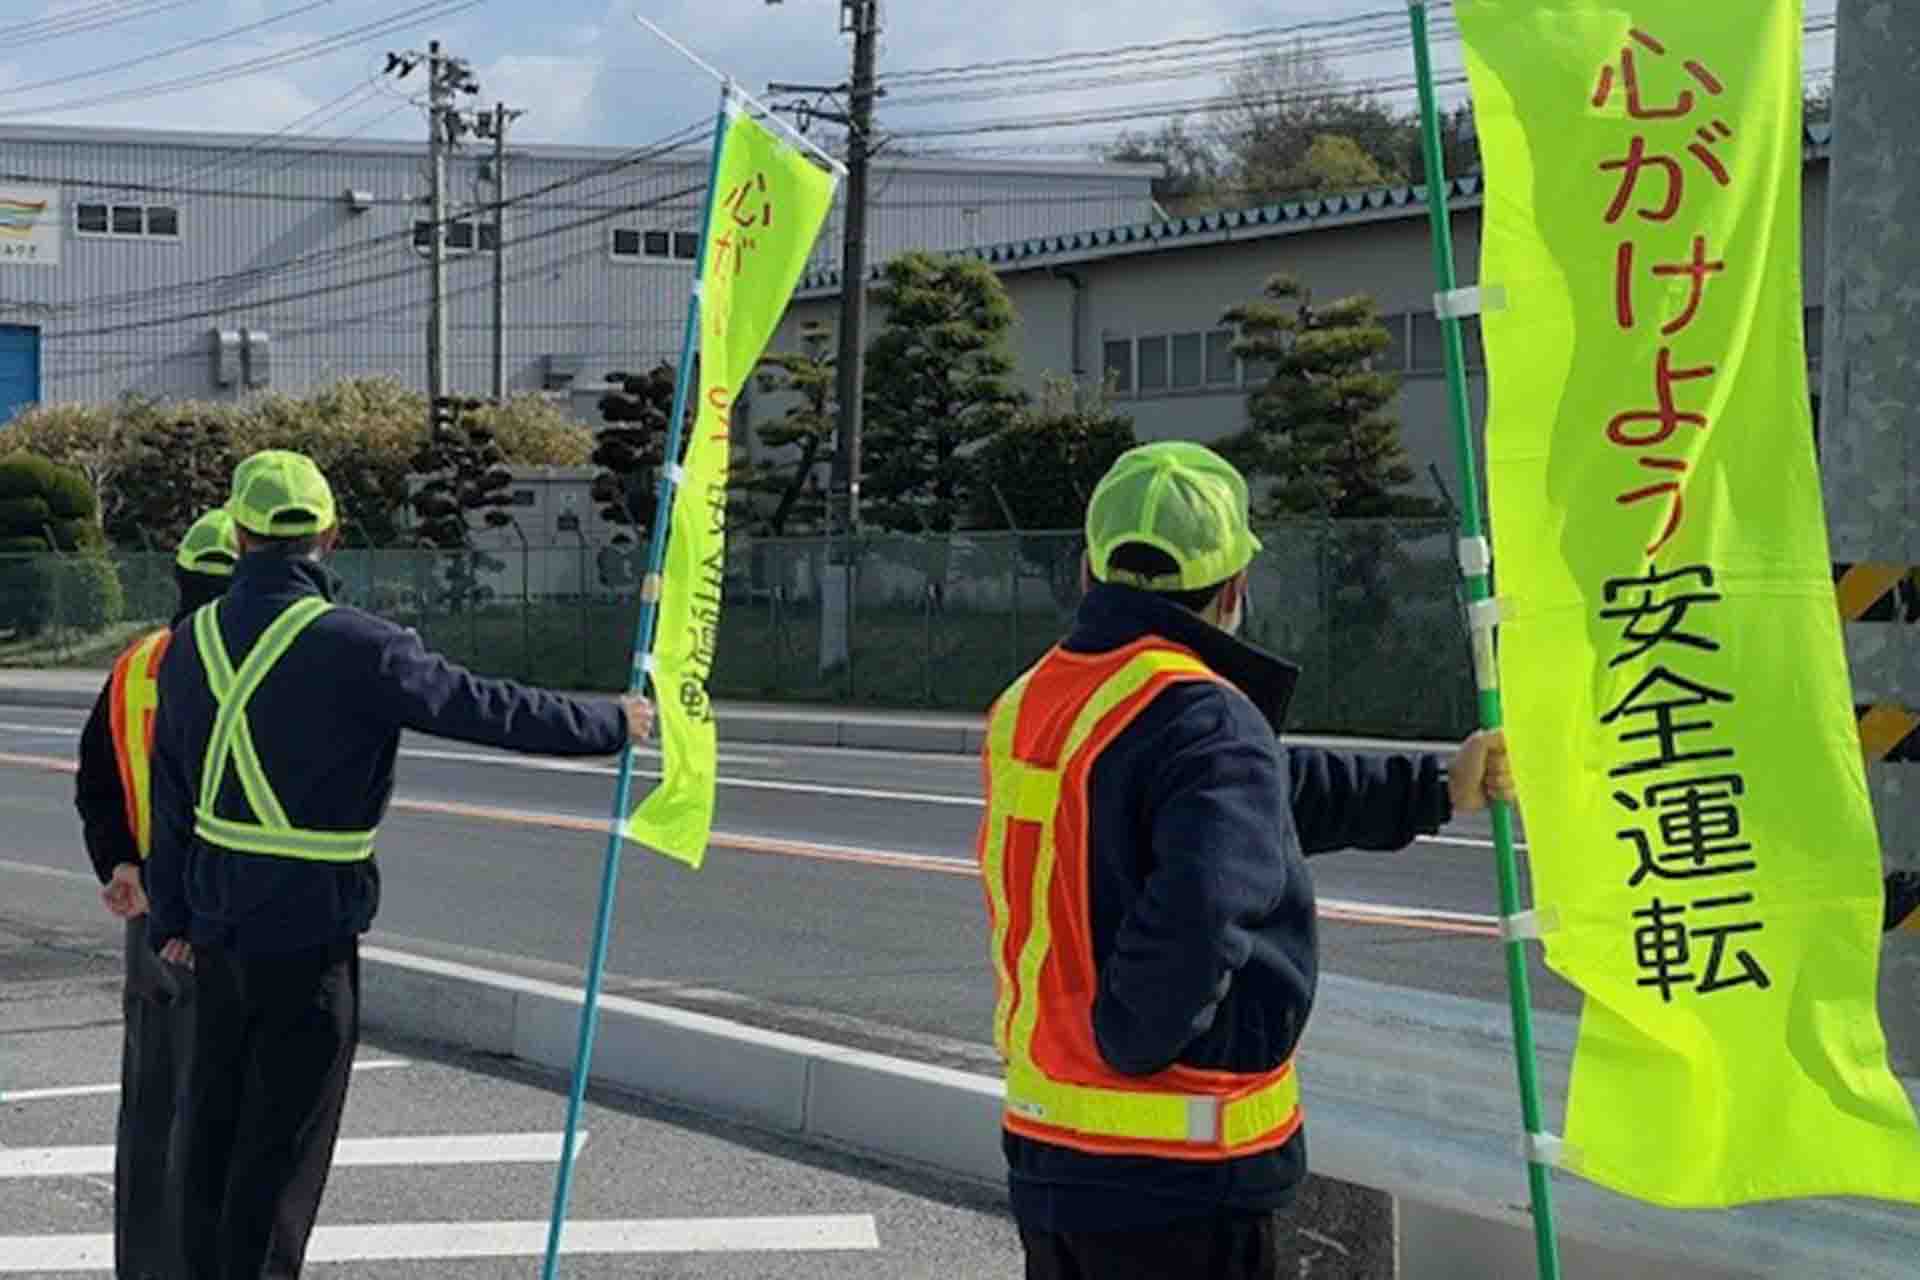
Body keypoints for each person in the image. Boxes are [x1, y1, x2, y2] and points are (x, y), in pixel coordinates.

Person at [976, 442, 1515, 1280]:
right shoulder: (1203, 718)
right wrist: (1131, 1041)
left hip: (1053, 1145)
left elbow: (1261, 792)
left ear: (1089, 572)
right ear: (1234, 591)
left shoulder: (1041, 696)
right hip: (1177, 1175)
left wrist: (1436, 787)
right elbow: (1201, 909)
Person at [145, 450, 654, 1279]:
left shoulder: (189, 642)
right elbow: (484, 707)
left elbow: (172, 794)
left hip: (215, 926)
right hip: (309, 929)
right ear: (329, 537)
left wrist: (171, 916)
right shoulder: (358, 646)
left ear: (238, 536)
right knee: (279, 1160)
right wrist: (610, 723)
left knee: (210, 1136)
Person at [75, 507, 241, 1280]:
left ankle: (142, 1267)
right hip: (233, 919)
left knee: (150, 1107)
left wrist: (119, 866)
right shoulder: (254, 664)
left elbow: (97, 782)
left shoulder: (136, 663)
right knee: (229, 1110)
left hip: (147, 920)